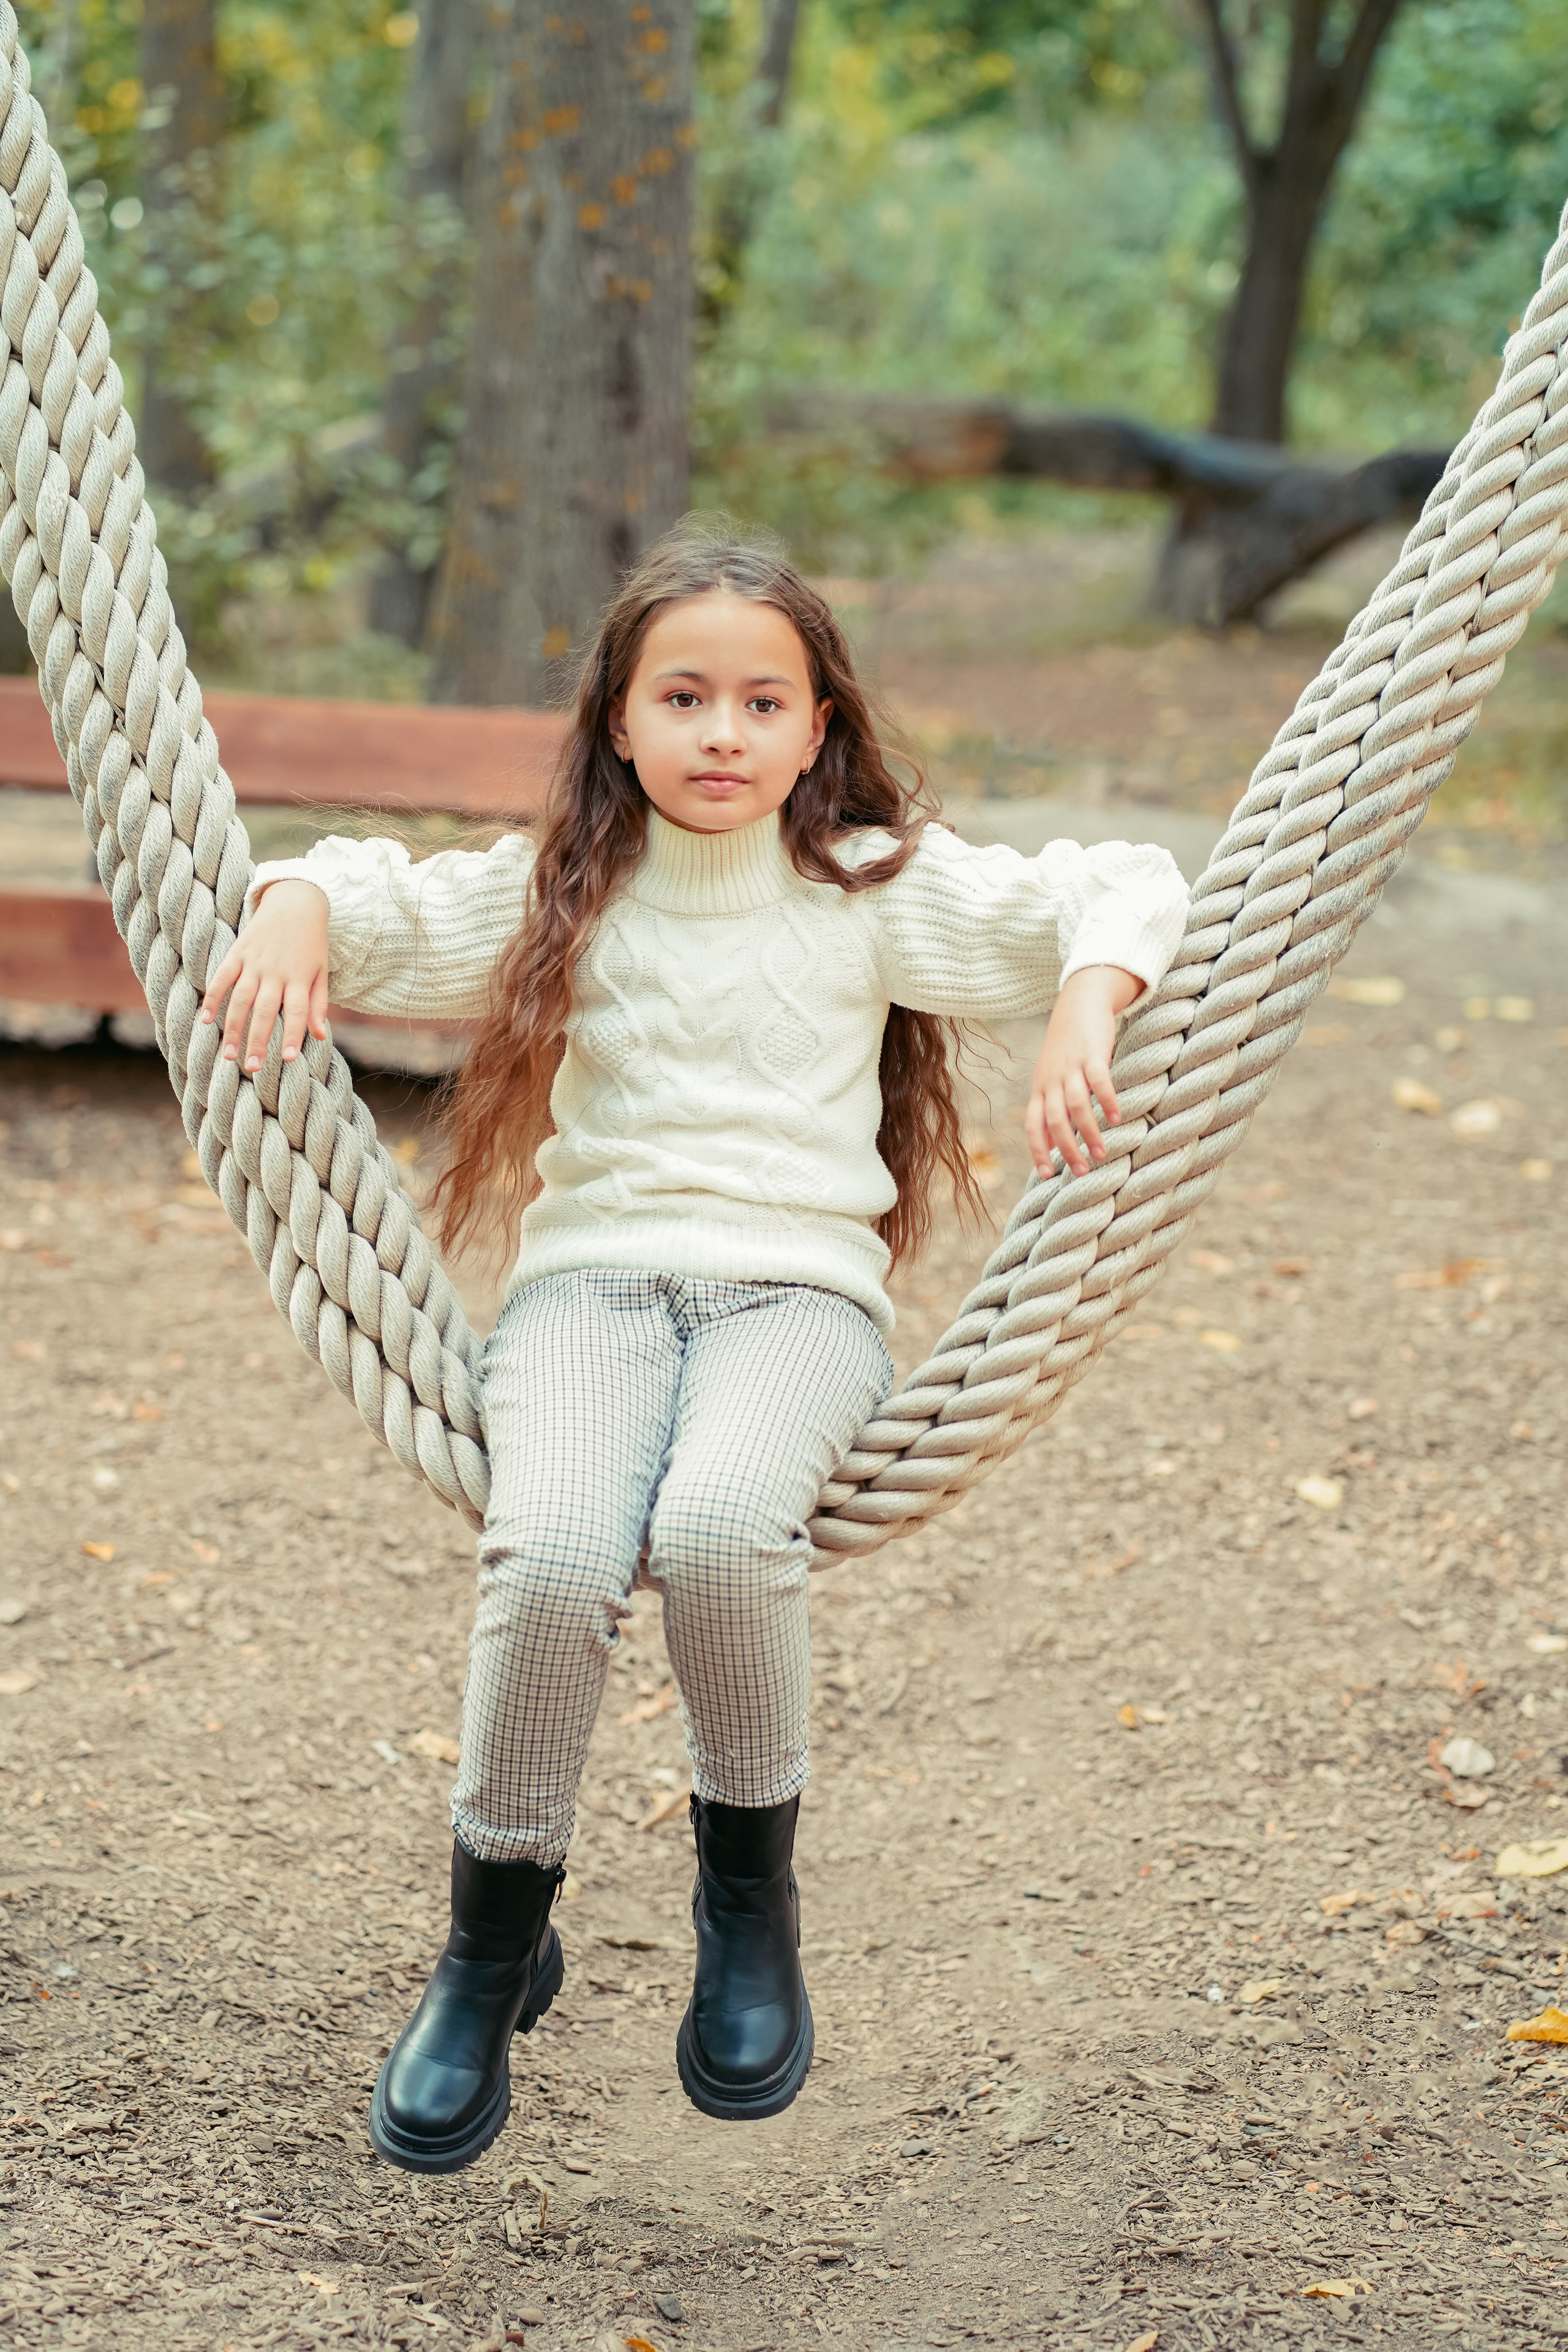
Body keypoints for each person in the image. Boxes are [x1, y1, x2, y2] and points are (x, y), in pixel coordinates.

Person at [201, 519, 1189, 2174]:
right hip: (590, 1295)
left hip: (794, 1307)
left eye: (760, 703)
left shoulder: (872, 888)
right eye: (683, 698)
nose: (721, 735)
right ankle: (489, 1948)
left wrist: (1089, 995)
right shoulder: (569, 890)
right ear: (618, 720)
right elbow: (371, 893)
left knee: (727, 1530)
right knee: (554, 1553)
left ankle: (750, 1903)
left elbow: (1121, 880)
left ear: (817, 730)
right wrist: (296, 902)